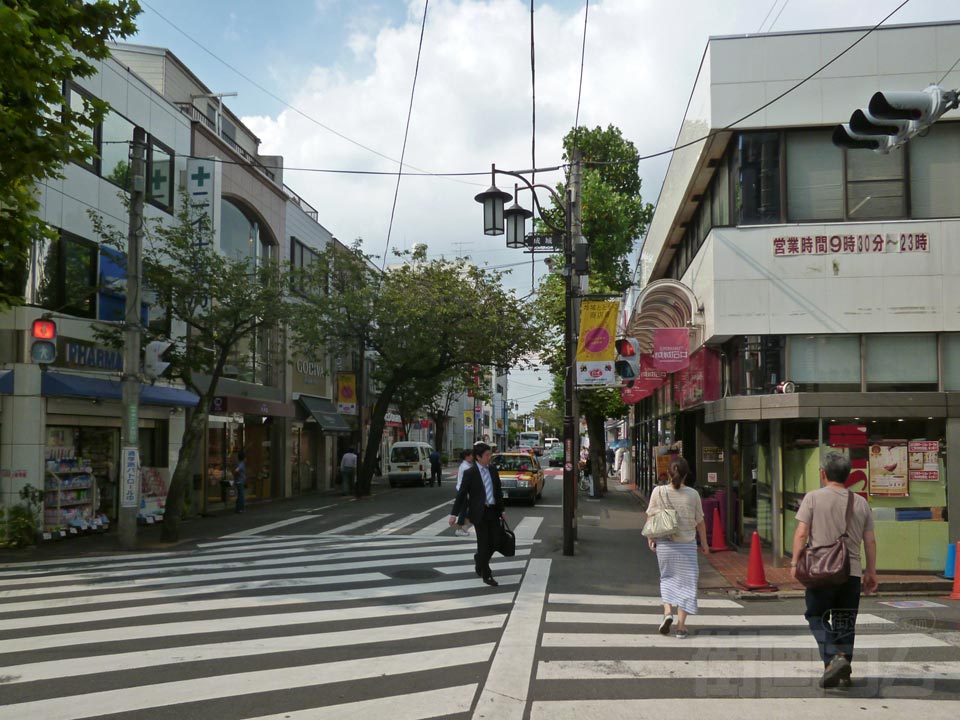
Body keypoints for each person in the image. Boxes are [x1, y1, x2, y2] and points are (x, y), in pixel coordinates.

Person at [791, 451, 877, 689]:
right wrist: (870, 571)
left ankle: (833, 658)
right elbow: (870, 541)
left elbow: (801, 533)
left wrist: (794, 562)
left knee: (815, 615)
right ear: (847, 476)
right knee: (845, 621)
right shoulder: (860, 502)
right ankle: (843, 672)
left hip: (822, 570)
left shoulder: (813, 498)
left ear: (823, 473)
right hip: (851, 573)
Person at [646, 456, 709, 639]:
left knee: (667, 578)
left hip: (665, 543)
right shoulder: (693, 494)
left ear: (669, 472)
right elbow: (700, 522)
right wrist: (704, 544)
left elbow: (650, 516)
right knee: (687, 585)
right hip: (687, 544)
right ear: (686, 474)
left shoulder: (658, 491)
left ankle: (667, 612)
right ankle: (681, 627)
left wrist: (651, 538)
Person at [448, 442, 504, 586]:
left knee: (496, 541)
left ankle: (479, 560)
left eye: (489, 454)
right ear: (478, 457)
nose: (489, 457)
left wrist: (502, 510)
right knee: (484, 543)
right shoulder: (470, 473)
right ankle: (487, 574)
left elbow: (498, 491)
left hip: (492, 510)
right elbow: (461, 494)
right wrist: (454, 514)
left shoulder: (492, 470)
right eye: (486, 455)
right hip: (479, 513)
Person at [454, 448, 475, 536]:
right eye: (471, 455)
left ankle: (463, 528)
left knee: (465, 510)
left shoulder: (465, 465)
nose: (472, 457)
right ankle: (459, 529)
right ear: (467, 456)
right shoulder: (465, 467)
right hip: (464, 491)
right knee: (463, 511)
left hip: (462, 490)